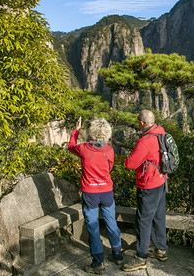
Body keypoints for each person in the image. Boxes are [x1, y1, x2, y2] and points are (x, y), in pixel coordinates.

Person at [67, 116, 123, 274]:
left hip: (90, 192)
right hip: (106, 192)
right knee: (112, 223)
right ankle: (117, 254)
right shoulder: (109, 150)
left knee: (93, 227)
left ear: (92, 132)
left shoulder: (84, 148)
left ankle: (98, 262)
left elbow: (71, 146)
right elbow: (109, 167)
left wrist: (76, 130)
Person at [121, 109, 168, 272]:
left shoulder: (145, 141)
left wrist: (128, 157)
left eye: (138, 121)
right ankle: (161, 249)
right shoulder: (160, 132)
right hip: (161, 180)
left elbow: (130, 164)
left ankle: (141, 256)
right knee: (158, 215)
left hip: (148, 184)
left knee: (143, 220)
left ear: (142, 123)